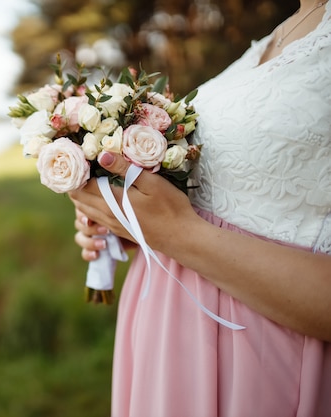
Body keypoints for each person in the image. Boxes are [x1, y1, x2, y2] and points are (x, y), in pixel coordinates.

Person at [68, 1, 331, 416]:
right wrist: (134, 222)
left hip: (265, 359)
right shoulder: (275, 35)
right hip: (168, 335)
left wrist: (176, 233)